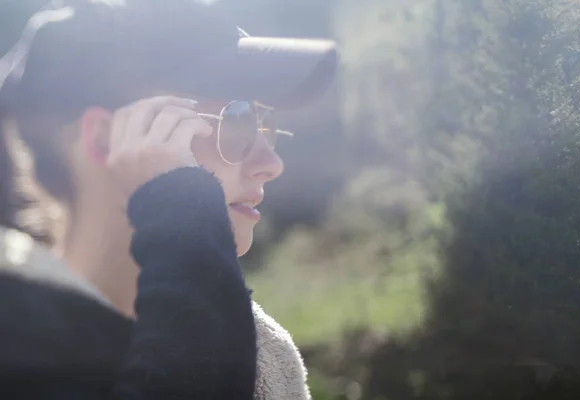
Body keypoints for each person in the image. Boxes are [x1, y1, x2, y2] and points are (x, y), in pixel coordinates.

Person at [0, 1, 338, 399]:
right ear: (106, 138)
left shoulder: (263, 354)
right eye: (237, 119)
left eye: (266, 123)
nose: (271, 163)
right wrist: (182, 202)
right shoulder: (17, 344)